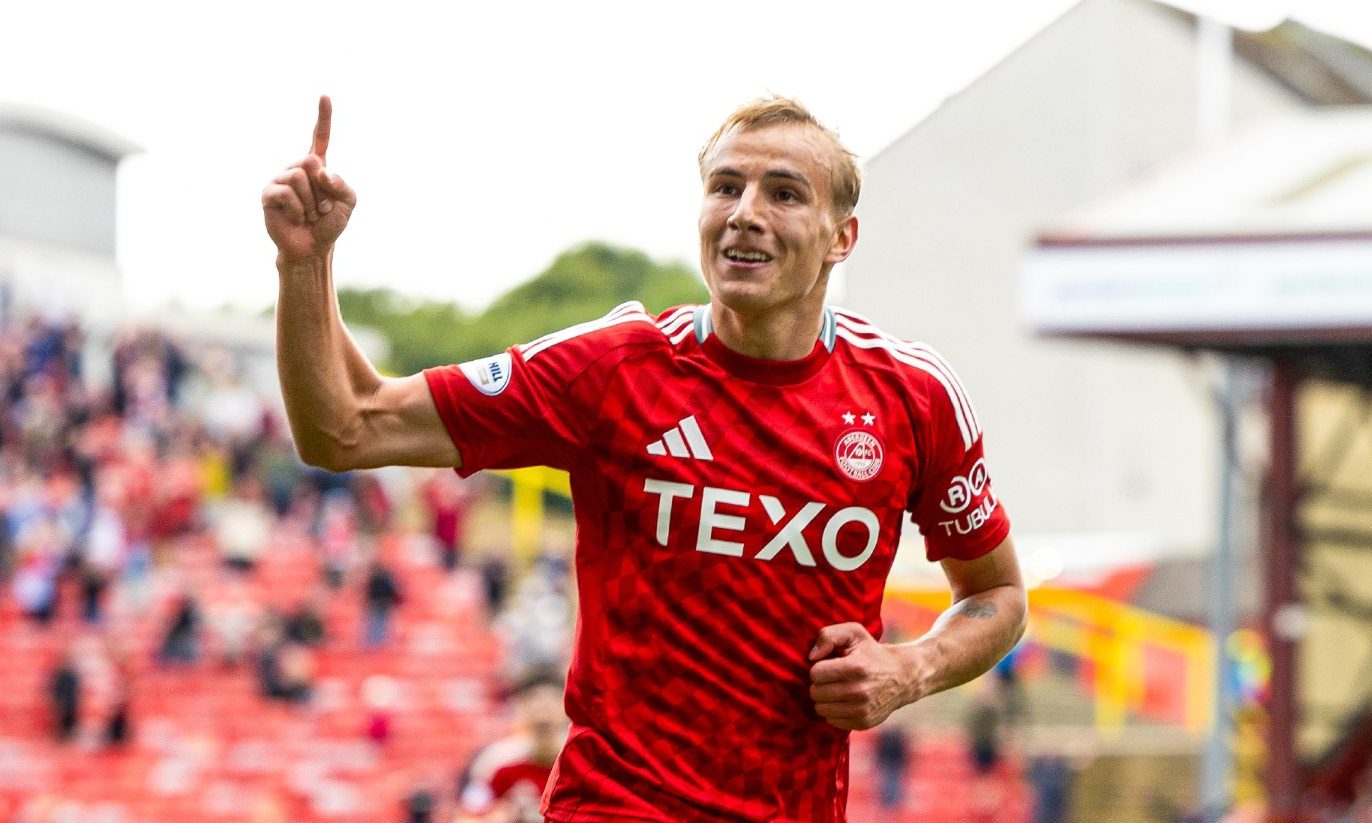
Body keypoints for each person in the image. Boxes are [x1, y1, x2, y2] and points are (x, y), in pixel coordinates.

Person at [264, 94, 1027, 822]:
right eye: (725, 186)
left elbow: (997, 594)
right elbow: (347, 427)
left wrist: (909, 669)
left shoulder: (914, 396)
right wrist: (305, 263)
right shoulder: (616, 368)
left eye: (785, 193)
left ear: (841, 237)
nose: (745, 213)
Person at [458, 669, 570, 823]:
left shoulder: (581, 767)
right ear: (521, 709)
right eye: (534, 701)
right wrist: (504, 815)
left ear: (566, 707)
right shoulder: (497, 765)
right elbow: (467, 816)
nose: (543, 711)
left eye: (551, 701)